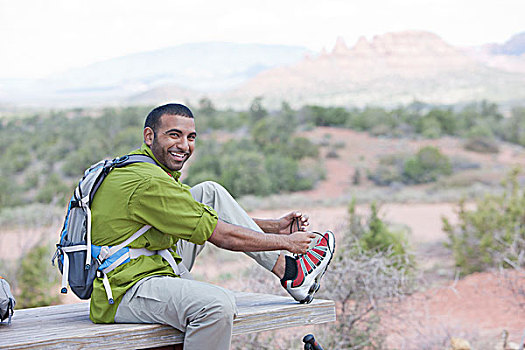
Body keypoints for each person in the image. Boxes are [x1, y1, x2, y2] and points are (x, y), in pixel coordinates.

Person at [89, 103, 335, 349]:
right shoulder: (148, 182)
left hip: (153, 262)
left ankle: (294, 276)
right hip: (125, 289)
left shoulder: (146, 168)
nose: (184, 146)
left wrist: (273, 228)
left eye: (190, 137)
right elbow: (221, 236)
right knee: (216, 306)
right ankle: (291, 272)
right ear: (149, 136)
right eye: (174, 135)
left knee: (209, 193)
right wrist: (286, 243)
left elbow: (197, 216)